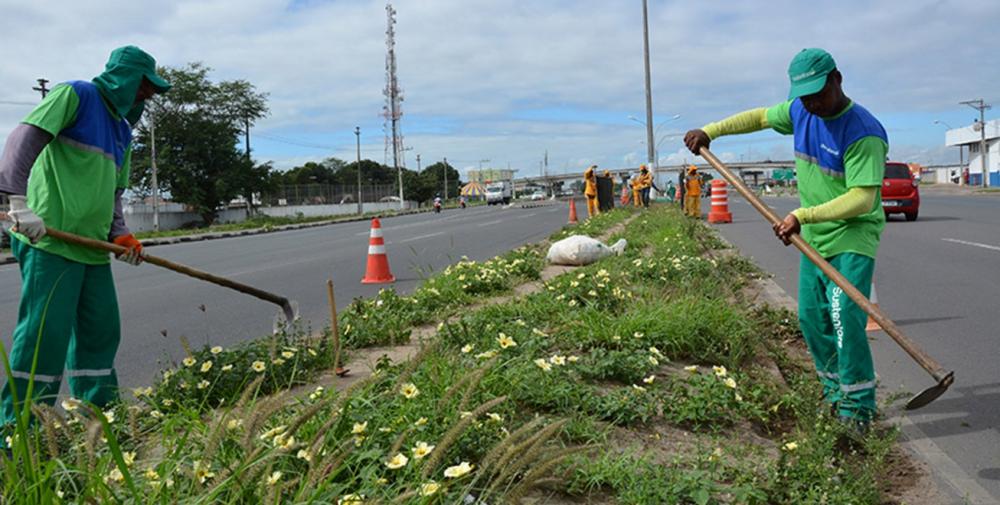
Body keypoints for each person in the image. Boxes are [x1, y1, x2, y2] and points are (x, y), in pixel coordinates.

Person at [684, 48, 886, 427]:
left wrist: (801, 215)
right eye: (804, 97)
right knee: (812, 319)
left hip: (852, 236)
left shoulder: (863, 131)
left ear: (837, 79)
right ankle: (834, 394)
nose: (812, 104)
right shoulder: (800, 111)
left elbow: (862, 198)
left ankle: (858, 409)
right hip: (814, 236)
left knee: (844, 318)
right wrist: (711, 130)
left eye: (818, 94)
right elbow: (759, 117)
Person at [0, 45, 170, 424]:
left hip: (92, 248)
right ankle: (18, 430)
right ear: (125, 77)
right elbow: (22, 139)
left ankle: (98, 418)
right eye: (144, 84)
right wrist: (18, 203)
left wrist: (121, 235)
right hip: (50, 241)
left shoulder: (122, 130)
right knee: (45, 337)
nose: (147, 95)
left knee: (101, 333)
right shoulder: (76, 95)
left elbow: (113, 193)